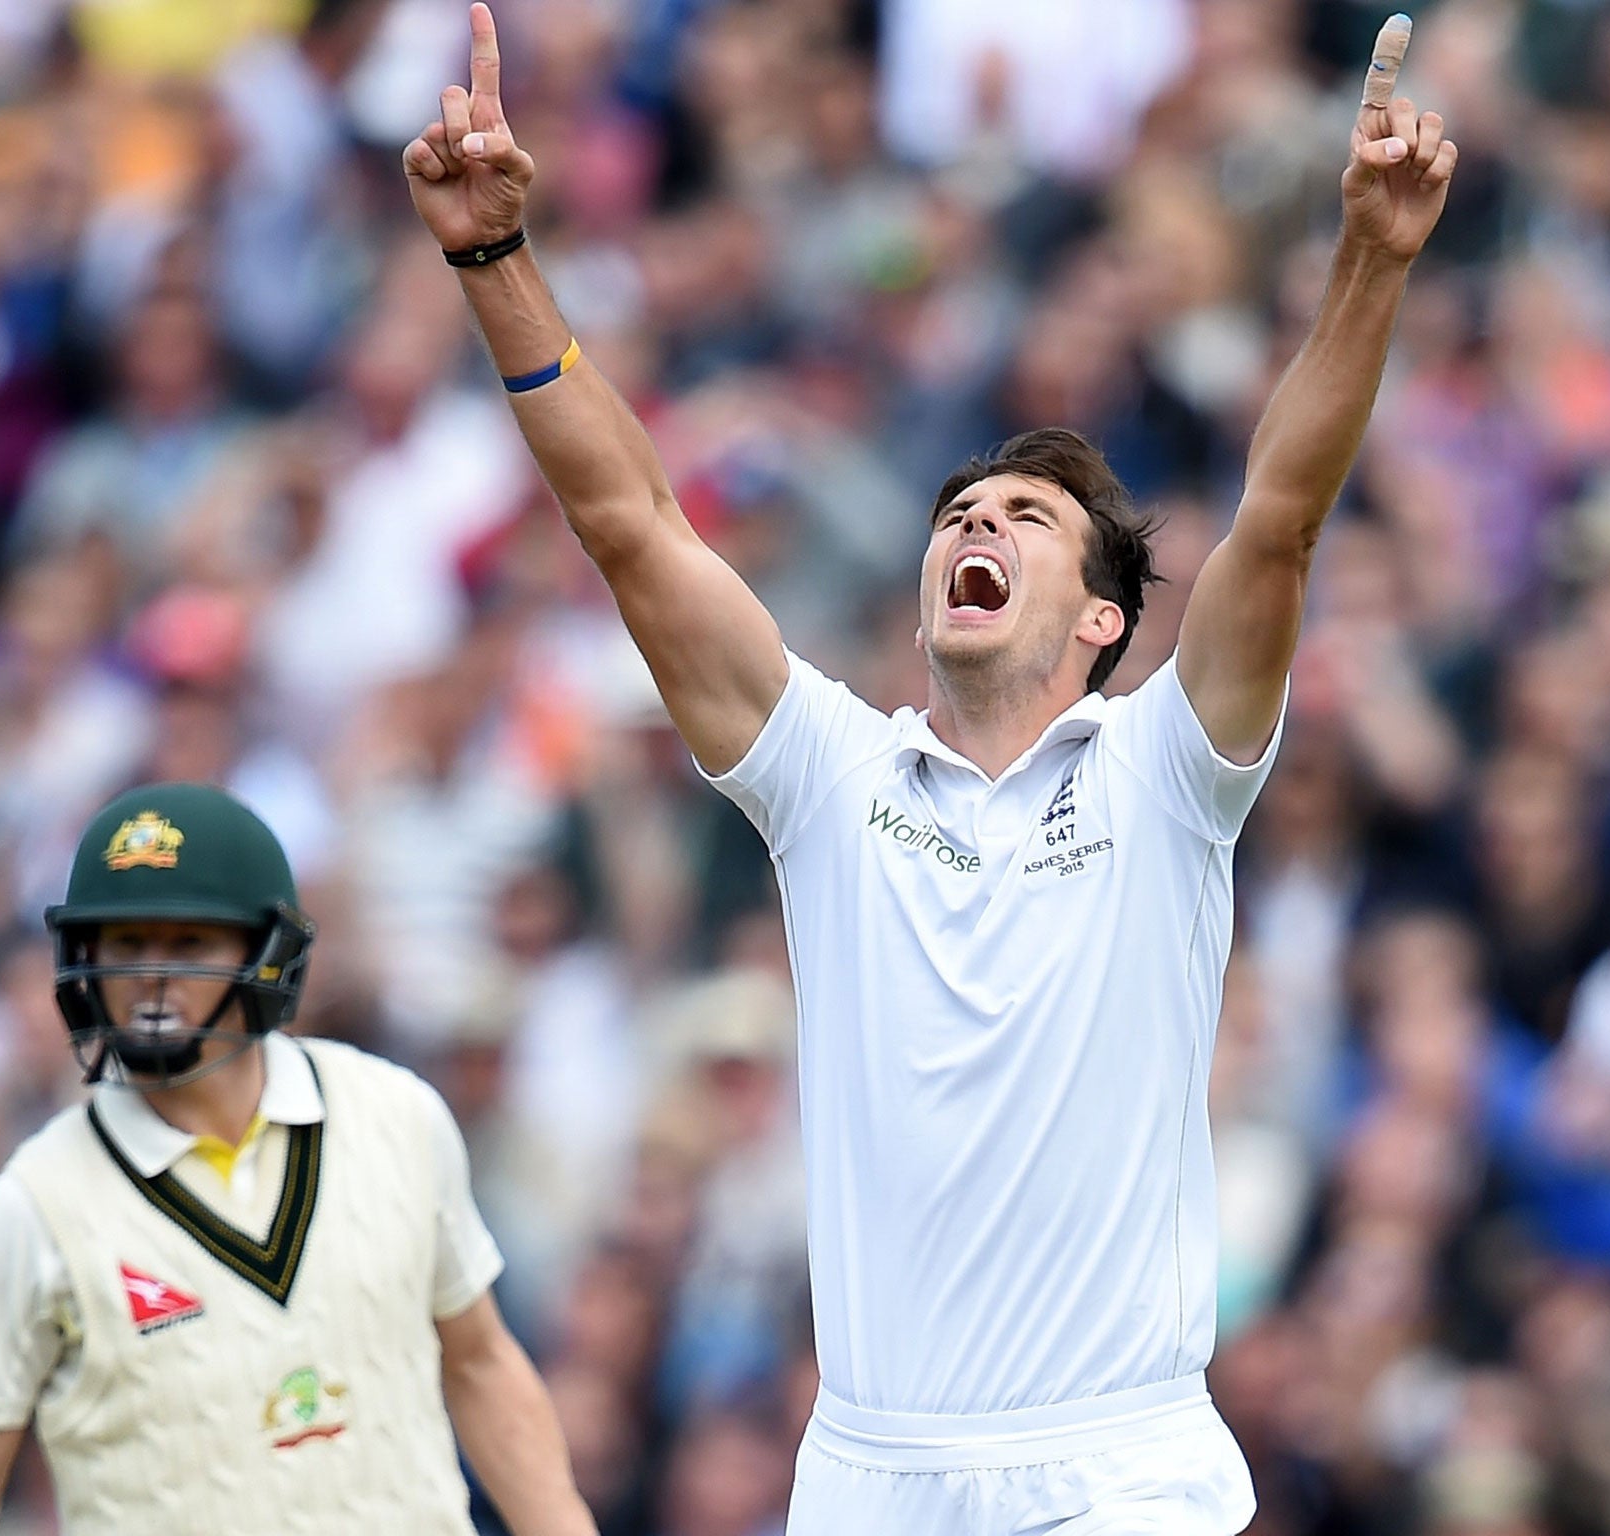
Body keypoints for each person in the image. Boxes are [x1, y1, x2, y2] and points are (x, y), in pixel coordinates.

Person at [403, 9, 1457, 1532]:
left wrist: (1372, 257)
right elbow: (632, 522)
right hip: (872, 1478)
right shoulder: (833, 777)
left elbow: (1283, 509)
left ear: (1105, 618)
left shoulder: (1169, 764)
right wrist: (495, 262)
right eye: (961, 514)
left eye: (1027, 519)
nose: (976, 529)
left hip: (1122, 1470)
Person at [0, 781, 597, 1535]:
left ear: (266, 954)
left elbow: (478, 1362)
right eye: (125, 944)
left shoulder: (396, 1115)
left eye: (188, 943)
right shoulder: (30, 1206)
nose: (152, 976)